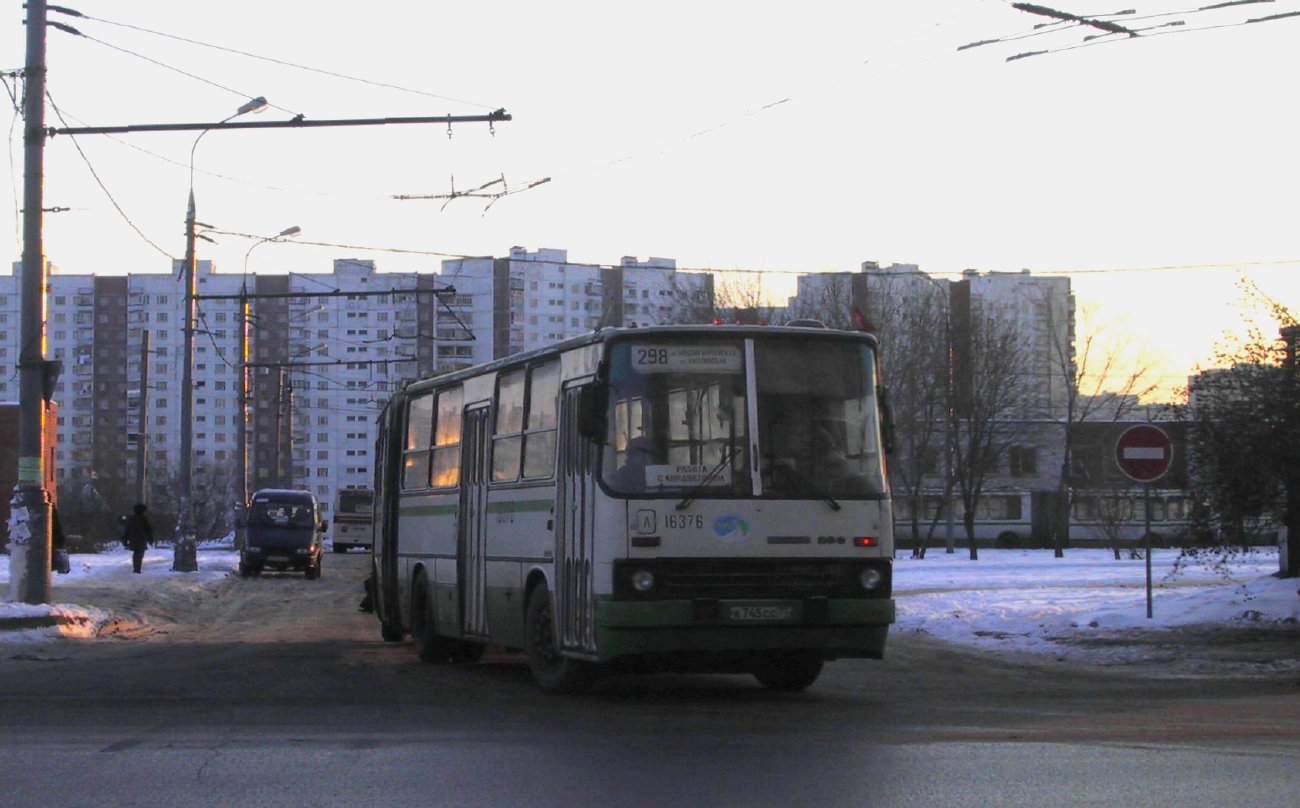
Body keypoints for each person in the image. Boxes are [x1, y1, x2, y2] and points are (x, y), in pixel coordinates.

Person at [122, 503, 154, 574]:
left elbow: (127, 529)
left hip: (133, 539)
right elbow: (148, 530)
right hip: (142, 539)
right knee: (140, 553)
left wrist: (125, 540)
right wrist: (150, 539)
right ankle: (138, 568)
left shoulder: (131, 519)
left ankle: (135, 567)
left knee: (136, 553)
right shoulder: (144, 519)